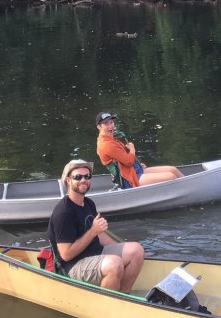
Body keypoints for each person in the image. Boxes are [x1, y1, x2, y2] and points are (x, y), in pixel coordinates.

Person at [47, 159, 145, 292]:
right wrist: (93, 231)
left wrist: (121, 246)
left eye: (87, 176)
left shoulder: (88, 203)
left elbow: (100, 235)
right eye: (78, 177)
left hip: (95, 253)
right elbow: (66, 255)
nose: (83, 180)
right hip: (73, 265)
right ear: (68, 181)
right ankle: (108, 305)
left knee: (136, 250)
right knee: (114, 264)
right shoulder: (63, 212)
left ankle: (124, 296)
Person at [95, 112, 183, 187]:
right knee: (170, 176)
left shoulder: (110, 139)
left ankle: (189, 186)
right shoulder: (106, 144)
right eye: (106, 124)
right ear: (99, 127)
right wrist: (132, 149)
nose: (110, 126)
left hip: (134, 170)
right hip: (129, 178)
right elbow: (128, 161)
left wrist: (137, 164)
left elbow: (123, 159)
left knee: (173, 169)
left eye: (111, 122)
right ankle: (185, 190)